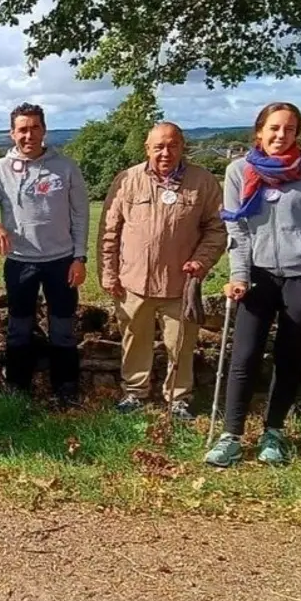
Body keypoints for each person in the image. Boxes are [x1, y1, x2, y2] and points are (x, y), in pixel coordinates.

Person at [204, 102, 301, 468]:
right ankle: (231, 436)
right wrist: (239, 274)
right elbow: (236, 229)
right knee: (244, 354)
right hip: (259, 276)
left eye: (289, 129)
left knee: (289, 355)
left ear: (297, 133)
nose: (281, 135)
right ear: (259, 131)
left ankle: (274, 432)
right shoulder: (239, 171)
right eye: (274, 128)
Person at [98, 122, 227, 420]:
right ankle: (135, 393)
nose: (165, 153)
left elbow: (217, 229)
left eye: (172, 146)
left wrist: (201, 261)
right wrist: (108, 272)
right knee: (134, 341)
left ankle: (178, 399)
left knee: (180, 344)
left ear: (182, 147)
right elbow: (109, 230)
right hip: (133, 282)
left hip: (180, 283)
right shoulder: (127, 180)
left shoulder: (203, 181)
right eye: (158, 147)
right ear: (147, 149)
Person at [0, 103, 89, 409]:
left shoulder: (66, 167)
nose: (29, 135)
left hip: (62, 261)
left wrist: (80, 257)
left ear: (44, 130)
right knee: (18, 329)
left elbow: (81, 215)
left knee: (63, 330)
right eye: (22, 129)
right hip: (20, 262)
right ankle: (18, 391)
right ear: (12, 133)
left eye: (35, 128)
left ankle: (65, 391)